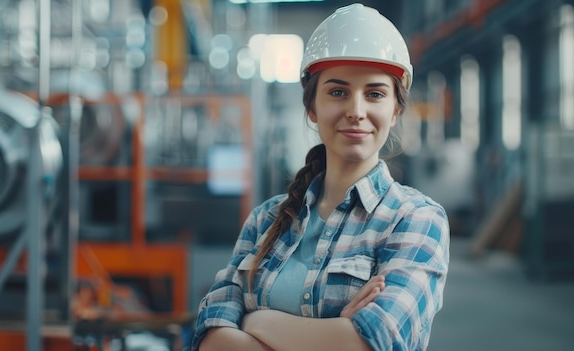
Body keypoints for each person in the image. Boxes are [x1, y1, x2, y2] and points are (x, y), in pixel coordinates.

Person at [192, 3, 450, 351]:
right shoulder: (266, 220)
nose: (356, 111)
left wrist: (257, 322)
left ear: (396, 110)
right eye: (338, 92)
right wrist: (333, 333)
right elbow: (210, 341)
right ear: (312, 106)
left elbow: (376, 343)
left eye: (374, 94)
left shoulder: (415, 220)